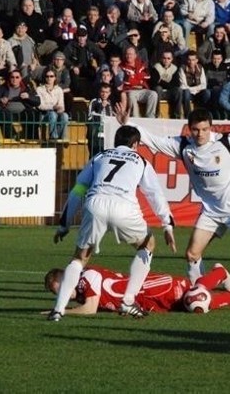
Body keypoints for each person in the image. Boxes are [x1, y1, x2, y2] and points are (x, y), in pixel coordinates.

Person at [116, 107, 230, 306]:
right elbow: (154, 140)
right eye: (196, 130)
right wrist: (128, 124)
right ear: (189, 129)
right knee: (192, 254)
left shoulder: (227, 142)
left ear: (210, 128)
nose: (200, 134)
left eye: (204, 129)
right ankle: (202, 292)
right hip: (211, 210)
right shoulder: (184, 147)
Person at [48, 125, 176, 321]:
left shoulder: (100, 156)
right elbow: (154, 194)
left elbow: (79, 189)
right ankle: (128, 301)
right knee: (147, 244)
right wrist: (167, 224)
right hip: (124, 206)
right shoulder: (141, 161)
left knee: (79, 258)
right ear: (136, 144)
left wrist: (64, 223)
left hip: (95, 203)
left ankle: (58, 309)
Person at [44, 263, 230, 315]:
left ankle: (219, 273)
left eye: (61, 289)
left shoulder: (86, 278)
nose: (62, 295)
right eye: (58, 295)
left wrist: (61, 311)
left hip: (152, 288)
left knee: (195, 299)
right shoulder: (82, 291)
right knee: (192, 305)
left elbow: (90, 310)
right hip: (146, 302)